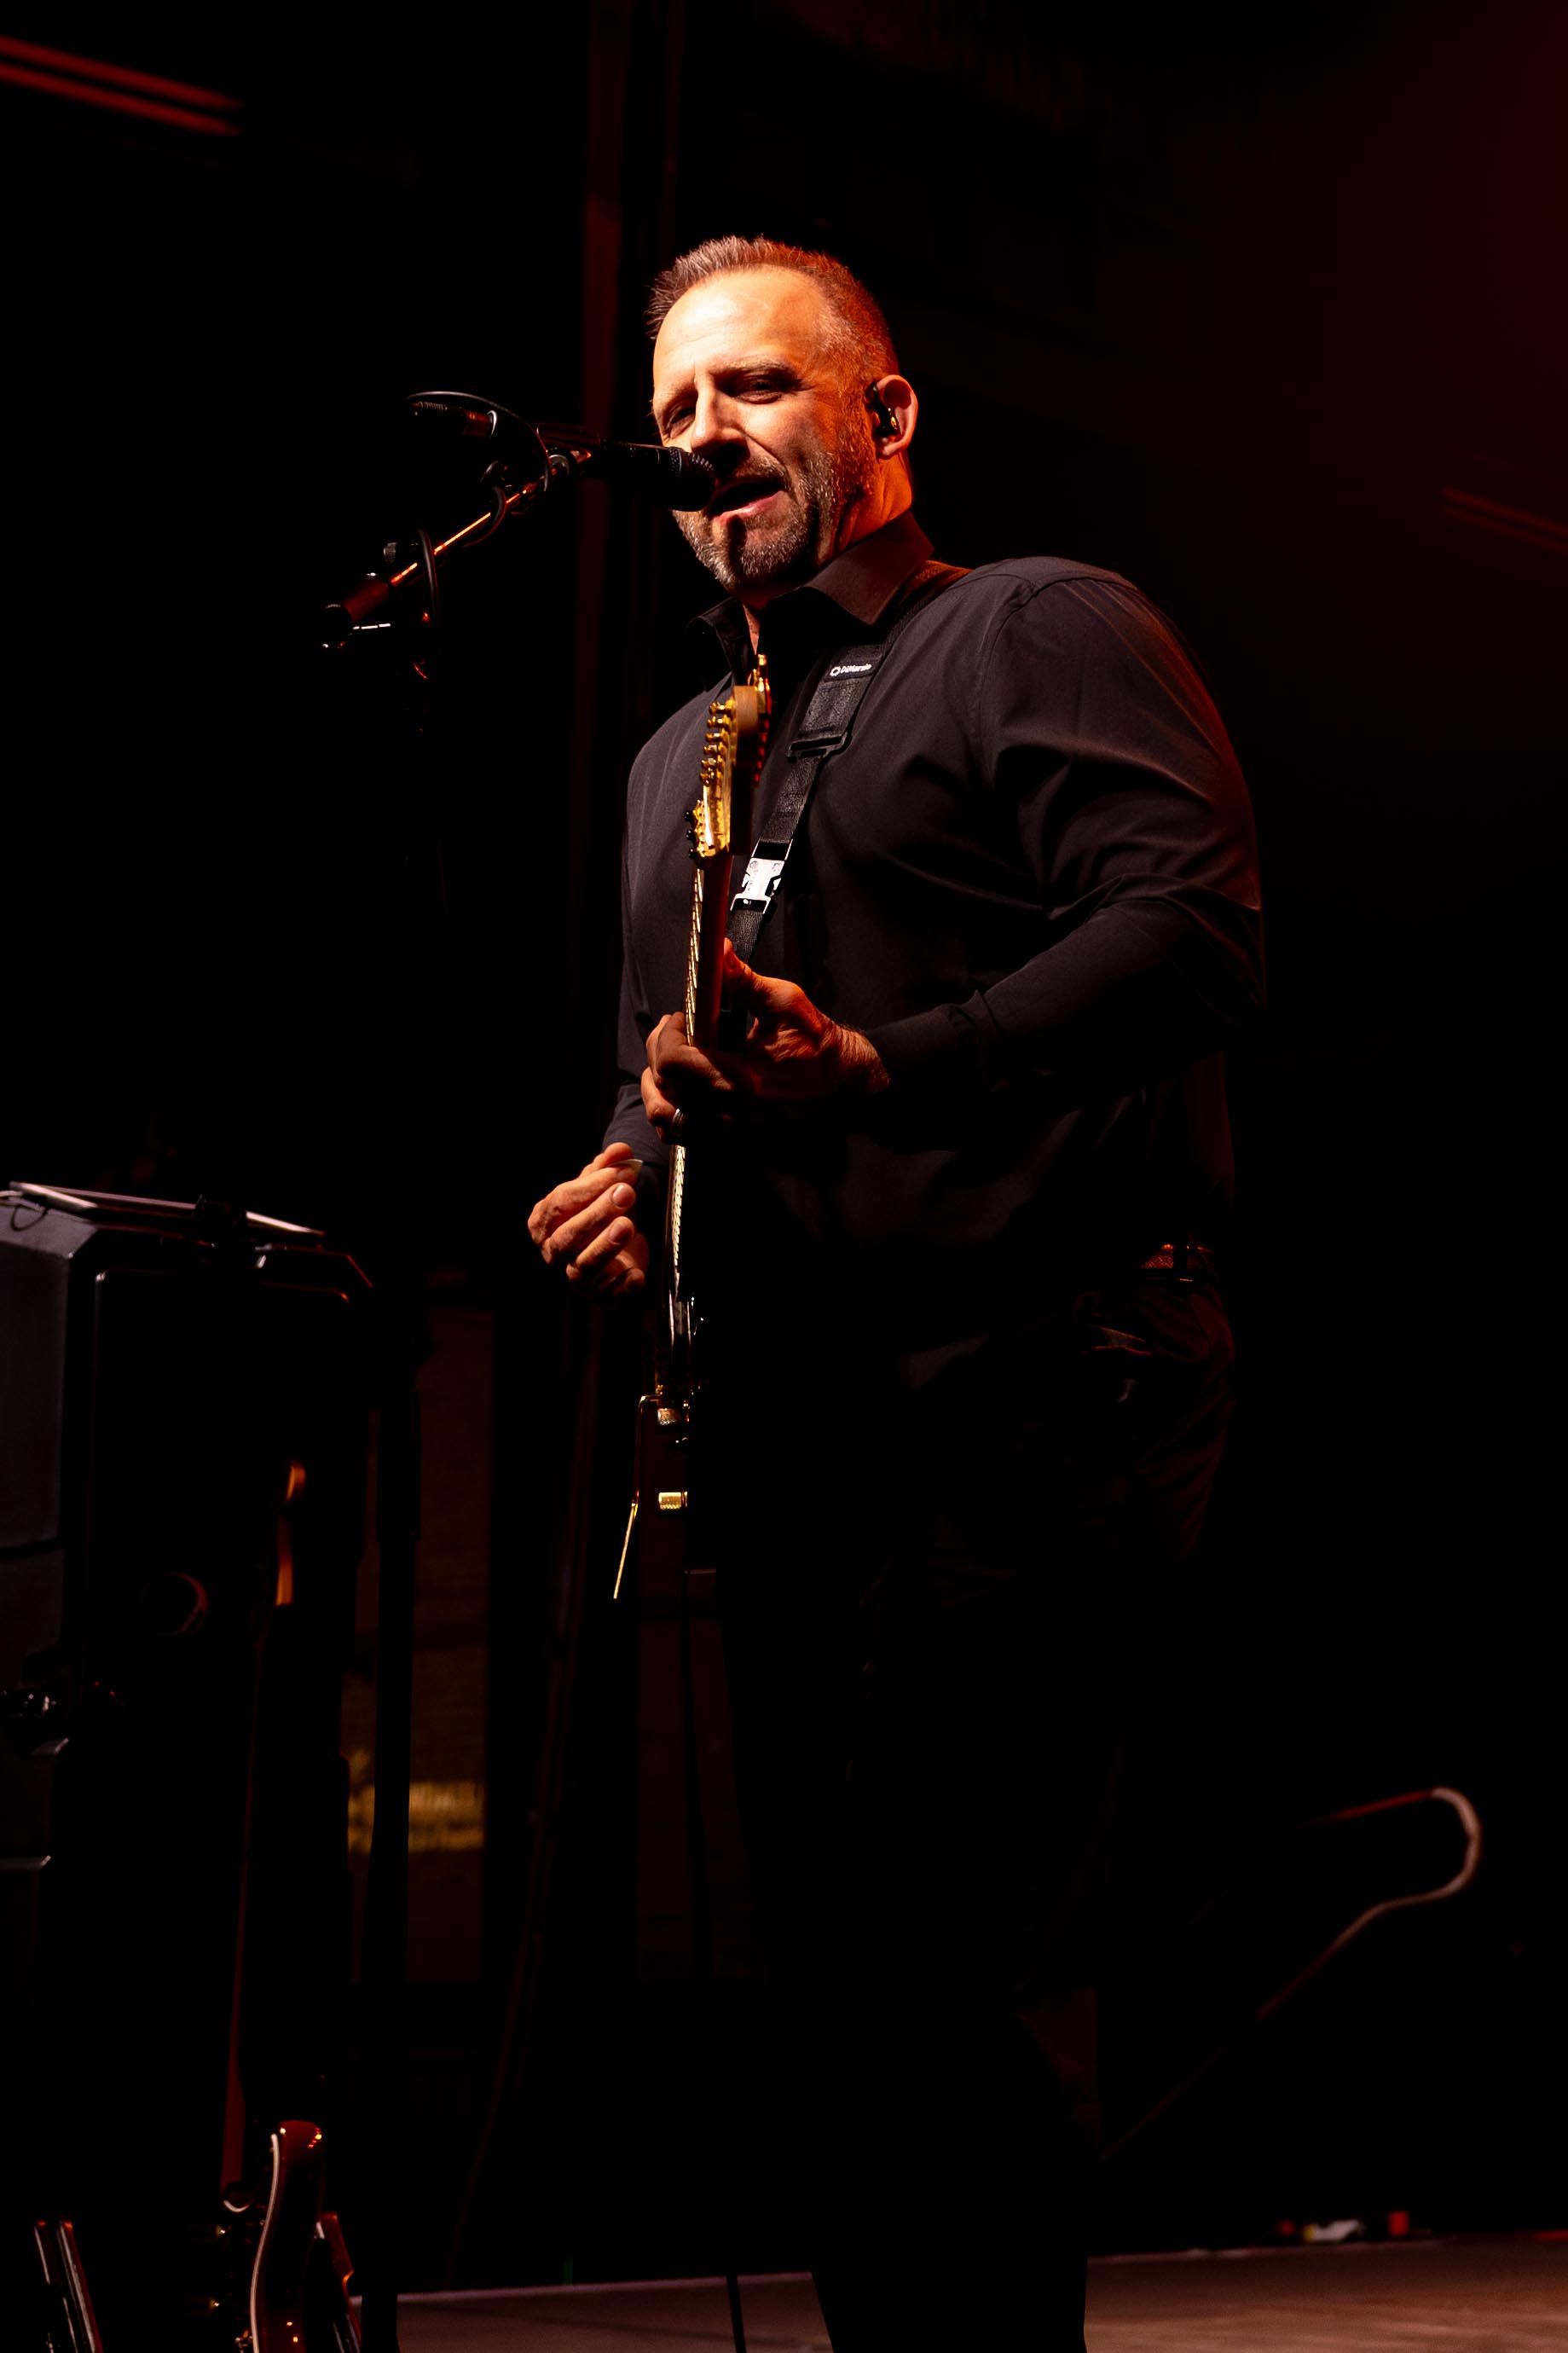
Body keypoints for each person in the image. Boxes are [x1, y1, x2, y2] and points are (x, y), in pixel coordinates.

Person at [529, 235, 1263, 2351]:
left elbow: (1192, 933)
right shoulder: (682, 751)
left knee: (965, 1980)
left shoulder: (1031, 626)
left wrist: (887, 1070)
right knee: (844, 1992)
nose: (707, 440)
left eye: (754, 388)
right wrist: (624, 1165)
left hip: (1043, 1383)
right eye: (673, 414)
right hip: (807, 1421)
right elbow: (680, 1052)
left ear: (885, 414)